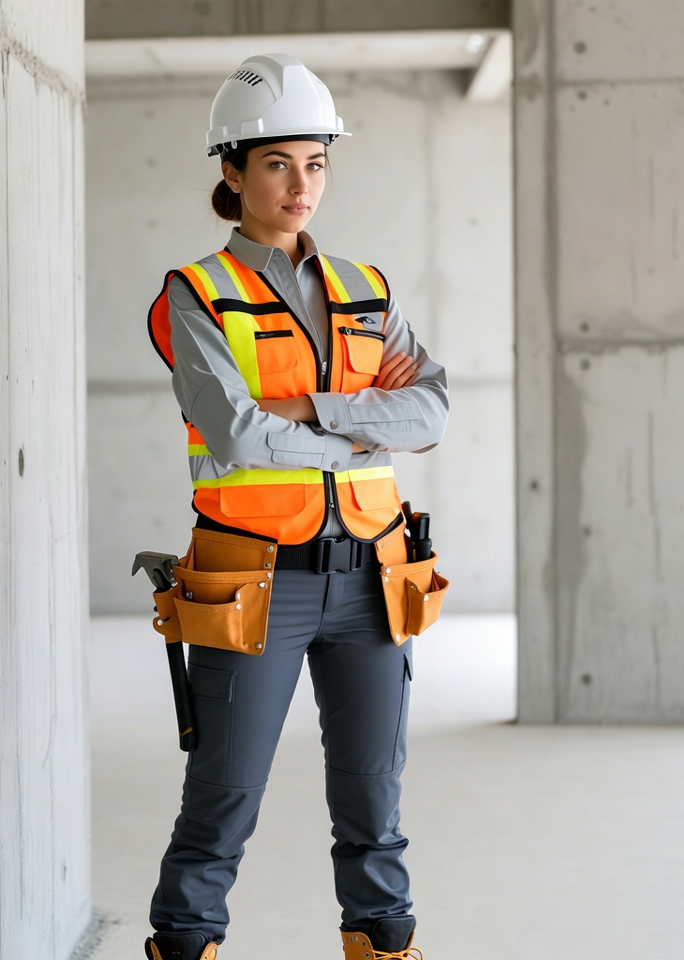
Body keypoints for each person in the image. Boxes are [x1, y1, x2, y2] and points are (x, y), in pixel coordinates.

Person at [143, 53, 449, 960]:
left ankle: (385, 945)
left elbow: (430, 408)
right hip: (251, 586)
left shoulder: (367, 289)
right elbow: (234, 434)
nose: (300, 184)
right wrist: (369, 426)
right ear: (232, 173)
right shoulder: (196, 294)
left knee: (373, 797)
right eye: (278, 163)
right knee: (225, 795)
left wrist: (315, 409)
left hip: (373, 580)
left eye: (316, 163)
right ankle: (185, 945)